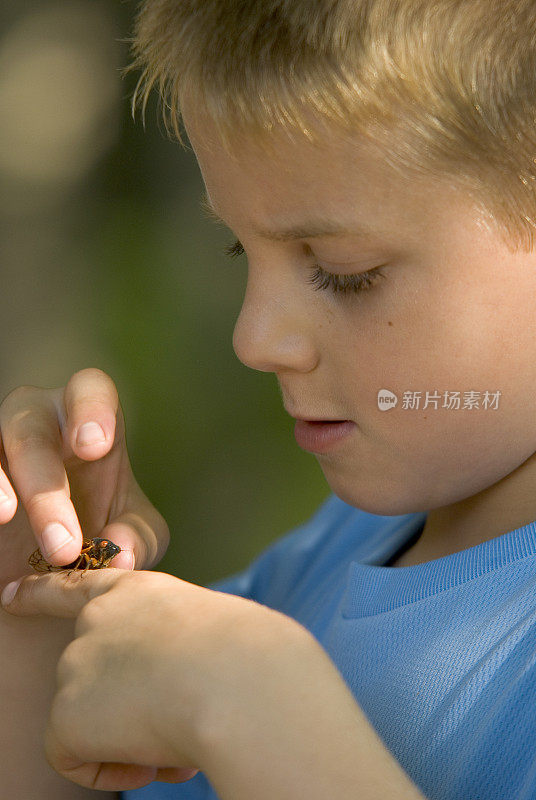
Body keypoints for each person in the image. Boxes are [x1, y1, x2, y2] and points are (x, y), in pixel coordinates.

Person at [1, 0, 536, 797]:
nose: (255, 338)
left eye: (346, 270)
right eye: (238, 246)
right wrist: (31, 609)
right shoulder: (334, 552)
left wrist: (254, 706)